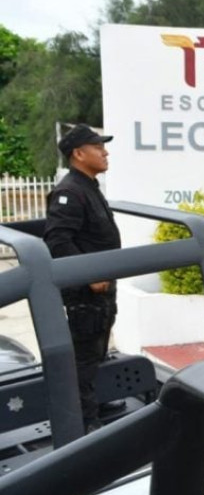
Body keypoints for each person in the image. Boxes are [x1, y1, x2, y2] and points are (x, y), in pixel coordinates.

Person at [43, 124, 122, 433]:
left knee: (97, 351)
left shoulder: (89, 186)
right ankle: (85, 422)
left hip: (101, 293)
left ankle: (96, 404)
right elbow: (58, 240)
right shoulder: (70, 191)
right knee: (84, 358)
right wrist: (88, 276)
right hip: (85, 295)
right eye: (97, 146)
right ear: (78, 153)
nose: (105, 151)